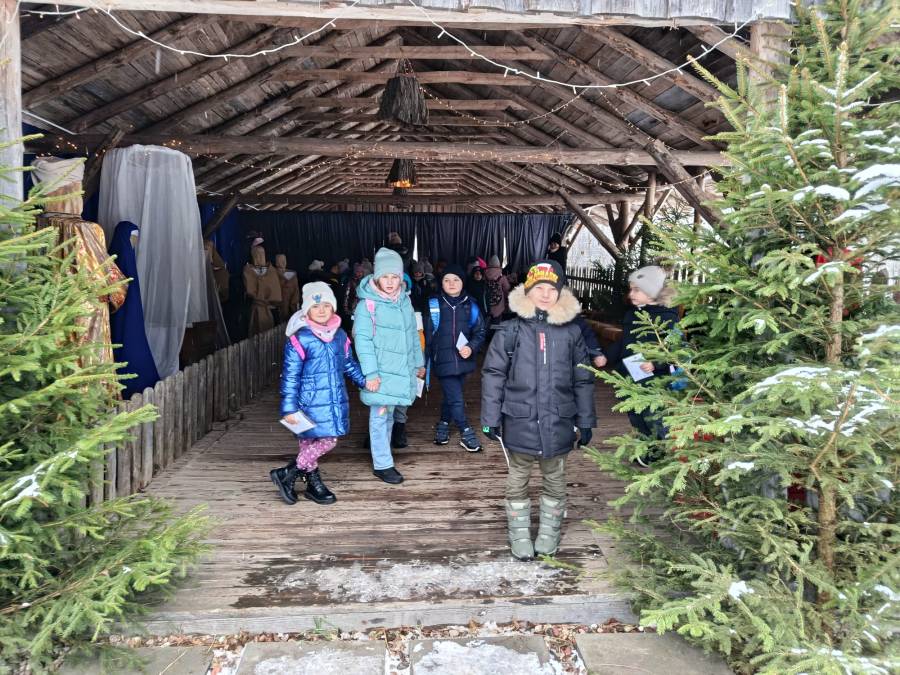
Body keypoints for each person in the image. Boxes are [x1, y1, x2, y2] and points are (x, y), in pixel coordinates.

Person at [481, 259, 596, 561]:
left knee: (555, 477)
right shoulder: (510, 330)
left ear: (560, 293)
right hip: (519, 419)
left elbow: (583, 378)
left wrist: (585, 420)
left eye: (552, 289)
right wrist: (490, 418)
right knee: (517, 477)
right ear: (527, 291)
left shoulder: (571, 332)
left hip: (559, 420)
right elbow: (493, 374)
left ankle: (548, 533)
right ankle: (519, 534)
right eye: (539, 288)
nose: (545, 294)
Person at [270, 282, 367, 506]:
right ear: (306, 311)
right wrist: (289, 408)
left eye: (326, 305)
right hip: (307, 401)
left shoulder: (340, 335)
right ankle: (302, 478)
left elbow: (348, 364)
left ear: (333, 307)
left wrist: (364, 381)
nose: (321, 310)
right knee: (317, 442)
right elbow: (290, 376)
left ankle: (291, 474)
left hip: (332, 399)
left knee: (324, 440)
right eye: (315, 306)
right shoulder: (300, 338)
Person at [353, 248, 425, 484]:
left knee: (389, 414)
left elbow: (413, 335)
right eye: (385, 277)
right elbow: (362, 342)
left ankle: (379, 448)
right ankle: (382, 464)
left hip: (400, 370)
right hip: (381, 373)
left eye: (395, 277)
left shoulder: (404, 301)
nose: (391, 282)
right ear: (376, 278)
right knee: (380, 415)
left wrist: (418, 363)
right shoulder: (367, 306)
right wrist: (370, 373)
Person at [604, 265, 678, 465]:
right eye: (631, 289)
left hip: (654, 379)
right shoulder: (633, 314)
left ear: (652, 291)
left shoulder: (667, 318)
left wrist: (656, 363)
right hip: (632, 374)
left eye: (637, 290)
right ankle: (645, 447)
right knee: (635, 413)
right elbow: (624, 341)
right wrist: (606, 356)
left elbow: (674, 348)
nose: (631, 294)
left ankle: (659, 450)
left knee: (652, 415)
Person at [425, 264, 488, 452]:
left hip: (464, 360)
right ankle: (466, 431)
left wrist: (471, 347)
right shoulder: (434, 305)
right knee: (457, 398)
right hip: (442, 360)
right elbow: (425, 335)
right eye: (447, 280)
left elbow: (480, 332)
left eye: (456, 280)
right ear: (441, 283)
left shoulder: (471, 305)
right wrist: (423, 362)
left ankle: (444, 423)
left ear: (463, 282)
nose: (451, 283)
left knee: (451, 396)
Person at [484, 255, 511, 324]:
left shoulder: (484, 275)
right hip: (499, 305)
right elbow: (507, 288)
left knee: (486, 323)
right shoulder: (502, 277)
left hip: (486, 304)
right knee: (497, 323)